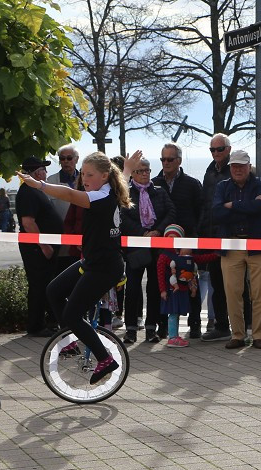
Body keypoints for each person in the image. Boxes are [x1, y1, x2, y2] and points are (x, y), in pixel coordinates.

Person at [19, 150, 142, 384]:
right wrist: (127, 168)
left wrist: (39, 185)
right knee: (53, 291)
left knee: (72, 315)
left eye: (89, 174)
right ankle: (70, 341)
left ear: (104, 176)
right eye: (83, 173)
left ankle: (105, 359)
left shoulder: (99, 198)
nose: (84, 179)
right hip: (93, 262)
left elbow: (67, 193)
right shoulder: (110, 189)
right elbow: (120, 176)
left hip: (104, 268)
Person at [213, 150, 261, 349]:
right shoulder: (222, 186)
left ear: (249, 166)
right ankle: (237, 335)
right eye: (234, 166)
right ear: (230, 167)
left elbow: (260, 209)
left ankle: (259, 335)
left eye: (241, 165)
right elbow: (217, 213)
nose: (237, 169)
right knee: (232, 292)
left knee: (259, 293)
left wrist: (232, 206)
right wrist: (246, 207)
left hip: (258, 245)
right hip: (231, 245)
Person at [121, 156, 176, 344]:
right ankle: (130, 330)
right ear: (133, 174)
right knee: (133, 289)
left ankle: (151, 328)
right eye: (140, 171)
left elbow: (171, 212)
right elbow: (122, 217)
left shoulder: (159, 191)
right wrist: (142, 233)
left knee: (154, 288)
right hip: (135, 247)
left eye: (147, 170)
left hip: (156, 246)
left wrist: (158, 231)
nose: (145, 174)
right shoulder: (125, 193)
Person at [152, 142, 205, 339]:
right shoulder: (155, 183)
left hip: (187, 243)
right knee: (164, 284)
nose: (166, 163)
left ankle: (195, 323)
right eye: (163, 159)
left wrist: (194, 237)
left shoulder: (192, 184)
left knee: (190, 283)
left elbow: (201, 210)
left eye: (170, 159)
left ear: (179, 161)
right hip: (164, 244)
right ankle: (163, 326)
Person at [16, 156, 65, 337]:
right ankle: (36, 326)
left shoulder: (33, 191)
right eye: (44, 170)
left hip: (41, 247)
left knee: (44, 284)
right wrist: (44, 246)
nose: (46, 173)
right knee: (38, 285)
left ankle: (44, 322)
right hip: (36, 249)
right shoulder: (28, 191)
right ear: (37, 172)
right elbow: (28, 222)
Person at [155, 230, 219, 347]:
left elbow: (202, 258)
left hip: (181, 290)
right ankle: (172, 337)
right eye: (170, 238)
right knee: (173, 313)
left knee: (177, 313)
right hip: (171, 290)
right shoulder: (164, 256)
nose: (172, 241)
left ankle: (175, 335)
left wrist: (216, 254)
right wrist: (162, 290)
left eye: (176, 238)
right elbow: (160, 274)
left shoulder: (184, 256)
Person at [199, 133, 233, 341]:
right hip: (211, 236)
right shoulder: (209, 171)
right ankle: (221, 325)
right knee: (217, 284)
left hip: (230, 235)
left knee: (237, 285)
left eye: (219, 149)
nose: (216, 153)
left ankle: (245, 326)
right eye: (212, 150)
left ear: (228, 149)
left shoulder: (236, 168)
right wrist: (202, 230)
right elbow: (205, 203)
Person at [46, 144, 79, 221]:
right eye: (62, 158)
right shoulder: (51, 181)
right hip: (60, 229)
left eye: (69, 158)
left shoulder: (85, 180)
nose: (66, 161)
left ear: (77, 159)